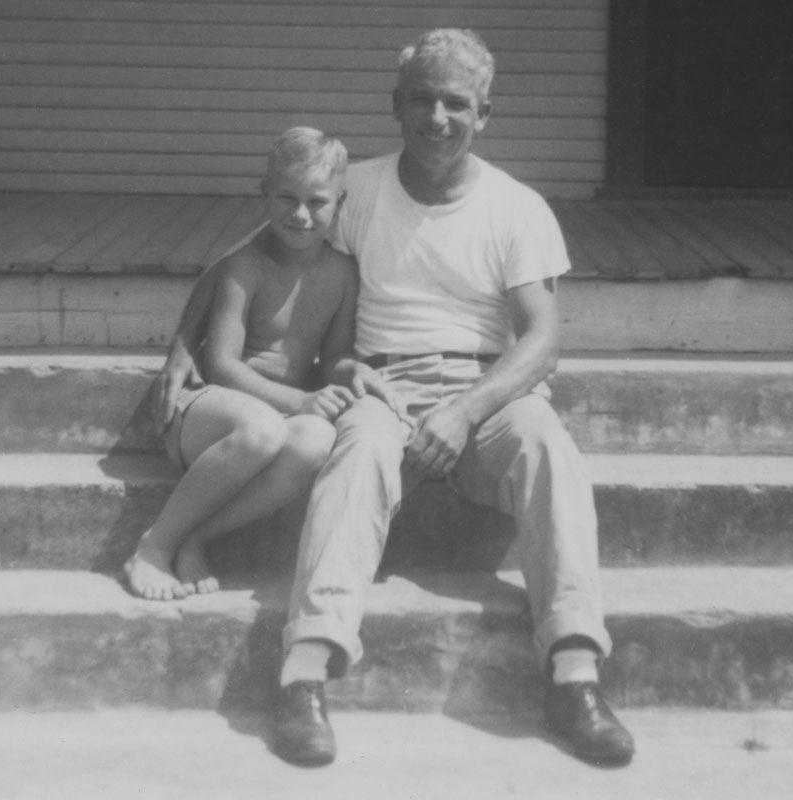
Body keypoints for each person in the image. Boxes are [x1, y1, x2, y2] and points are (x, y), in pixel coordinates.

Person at [267, 29, 636, 768]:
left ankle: (573, 673)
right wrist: (193, 346)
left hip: (488, 392)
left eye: (457, 104)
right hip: (382, 382)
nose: (439, 117)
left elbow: (541, 341)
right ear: (397, 105)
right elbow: (273, 252)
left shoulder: (516, 206)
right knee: (360, 450)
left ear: (485, 114)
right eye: (423, 100)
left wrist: (466, 410)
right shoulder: (357, 190)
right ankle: (304, 672)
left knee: (550, 450)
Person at [126, 126, 398, 601]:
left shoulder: (342, 274)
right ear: (264, 195)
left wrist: (349, 370)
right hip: (206, 416)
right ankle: (153, 546)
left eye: (317, 202)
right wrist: (302, 398)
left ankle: (199, 533)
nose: (300, 214)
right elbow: (223, 364)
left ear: (340, 202)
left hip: (272, 420)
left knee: (316, 439)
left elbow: (332, 355)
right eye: (286, 198)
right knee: (266, 430)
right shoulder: (243, 268)